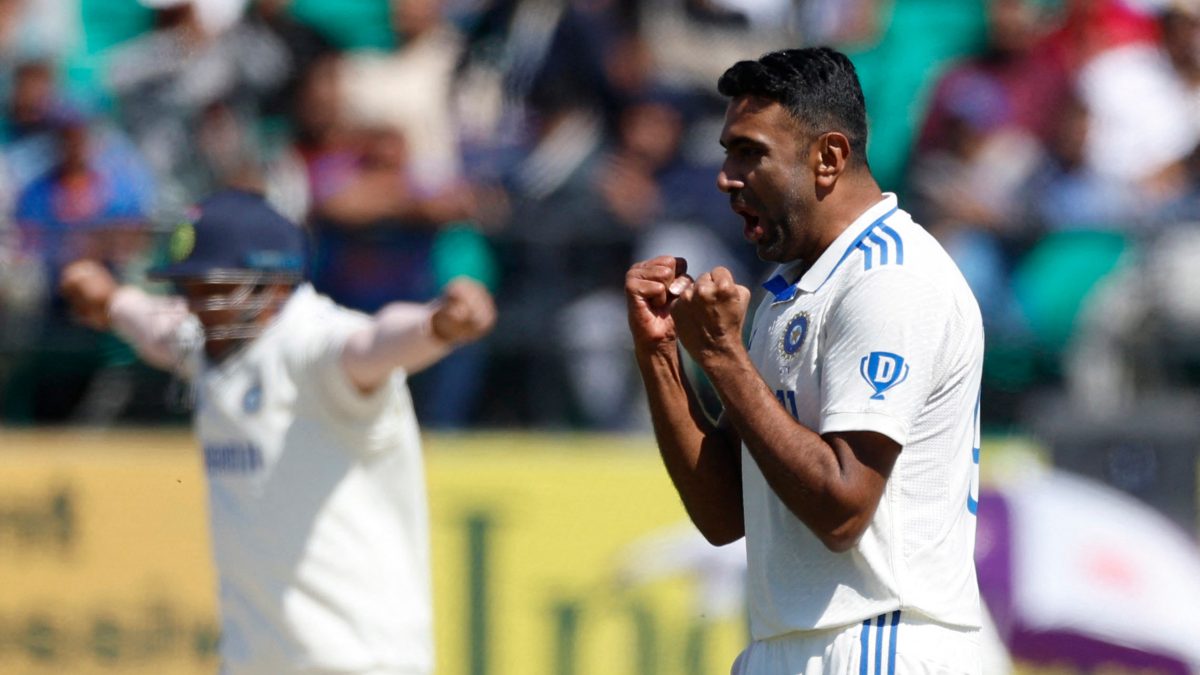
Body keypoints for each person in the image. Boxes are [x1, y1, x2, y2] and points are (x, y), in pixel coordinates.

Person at [624, 48, 985, 674]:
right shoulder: (798, 287)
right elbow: (721, 513)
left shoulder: (890, 279)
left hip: (877, 641)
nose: (725, 175)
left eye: (750, 152)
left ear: (829, 157)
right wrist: (662, 354)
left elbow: (843, 509)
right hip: (792, 643)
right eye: (726, 151)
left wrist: (723, 355)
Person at [59, 189, 495, 675]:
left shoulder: (314, 344)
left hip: (360, 660)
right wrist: (110, 299)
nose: (197, 308)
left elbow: (375, 341)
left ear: (273, 284)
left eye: (213, 288)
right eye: (190, 289)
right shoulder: (211, 345)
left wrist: (436, 326)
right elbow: (158, 329)